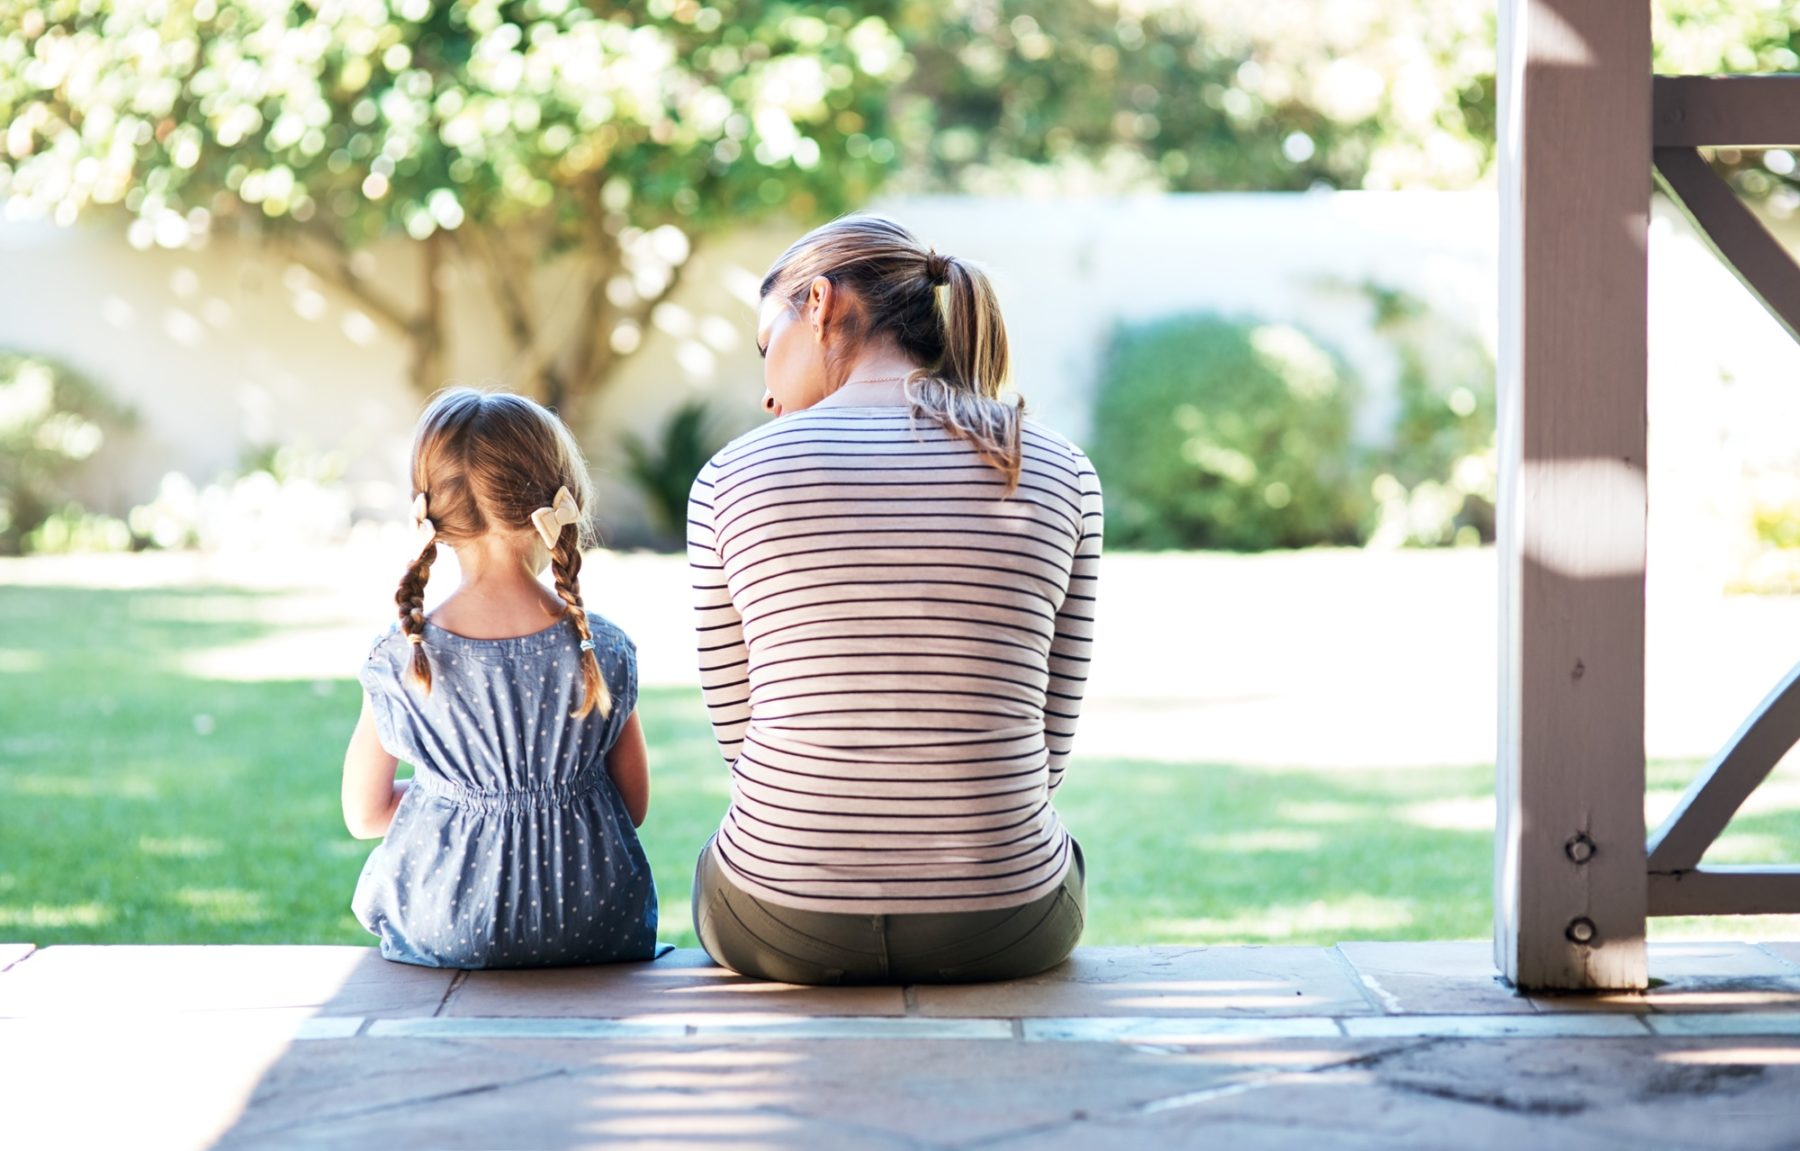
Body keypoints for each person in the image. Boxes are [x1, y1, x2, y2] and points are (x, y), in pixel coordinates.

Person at [686, 215, 1103, 985]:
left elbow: (742, 742)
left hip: (781, 920)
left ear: (818, 303)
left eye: (763, 346)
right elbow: (1049, 742)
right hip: (1004, 920)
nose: (766, 390)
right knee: (1059, 851)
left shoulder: (730, 477)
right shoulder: (1057, 467)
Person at [342, 388, 661, 969]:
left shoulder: (401, 656)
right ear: (560, 502)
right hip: (594, 924)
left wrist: (457, 795)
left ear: (431, 515)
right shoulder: (604, 648)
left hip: (446, 925)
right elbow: (632, 805)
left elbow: (364, 815)